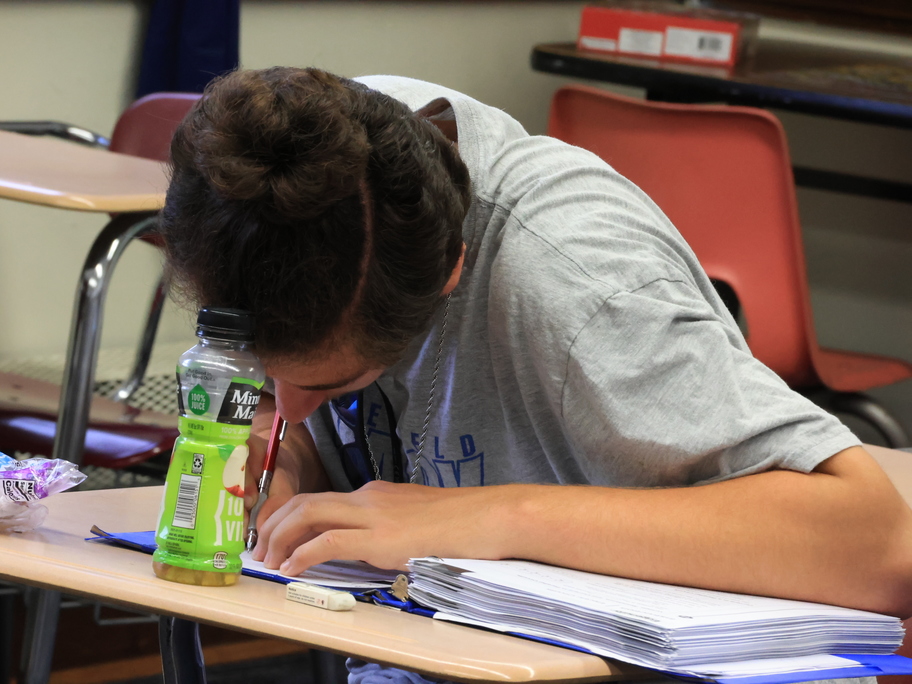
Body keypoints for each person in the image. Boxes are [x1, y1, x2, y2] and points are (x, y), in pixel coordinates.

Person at [157, 67, 912, 683]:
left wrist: (495, 519)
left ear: (450, 271)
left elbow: (875, 547)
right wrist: (289, 453)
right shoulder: (324, 179)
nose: (287, 403)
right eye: (272, 375)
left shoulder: (582, 287)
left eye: (332, 386)